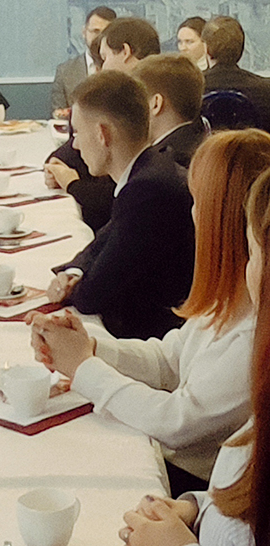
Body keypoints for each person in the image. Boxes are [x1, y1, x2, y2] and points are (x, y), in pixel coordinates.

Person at [31, 130, 270, 496]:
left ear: (222, 222)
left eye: (197, 202)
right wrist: (91, 348)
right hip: (172, 459)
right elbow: (167, 360)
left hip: (192, 482)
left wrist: (83, 368)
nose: (191, 213)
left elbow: (177, 422)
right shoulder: (229, 297)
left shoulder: (253, 333)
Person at [115, 162, 270, 546]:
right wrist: (195, 508)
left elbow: (177, 421)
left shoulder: (249, 341)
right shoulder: (227, 310)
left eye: (254, 252)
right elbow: (248, 495)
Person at [46, 70, 195, 340]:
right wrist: (74, 271)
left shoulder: (147, 190)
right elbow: (105, 239)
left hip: (157, 335)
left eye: (77, 132)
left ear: (102, 133)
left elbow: (93, 295)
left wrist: (72, 288)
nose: (75, 145)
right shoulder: (150, 167)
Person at [45, 17, 162, 232]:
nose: (103, 67)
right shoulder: (122, 95)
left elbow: (115, 193)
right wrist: (57, 165)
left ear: (125, 52)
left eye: (105, 57)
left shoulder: (146, 101)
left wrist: (73, 184)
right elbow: (72, 150)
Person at [134, 54, 208, 169]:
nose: (130, 111)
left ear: (156, 104)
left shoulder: (156, 166)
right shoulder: (206, 143)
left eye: (135, 102)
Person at [202, 15, 270, 131]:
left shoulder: (190, 89)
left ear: (206, 49)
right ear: (242, 49)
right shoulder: (266, 90)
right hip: (253, 143)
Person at [51, 6, 116, 113]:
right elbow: (58, 115)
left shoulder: (124, 69)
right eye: (95, 31)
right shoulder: (65, 72)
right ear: (84, 32)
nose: (100, 37)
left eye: (105, 33)